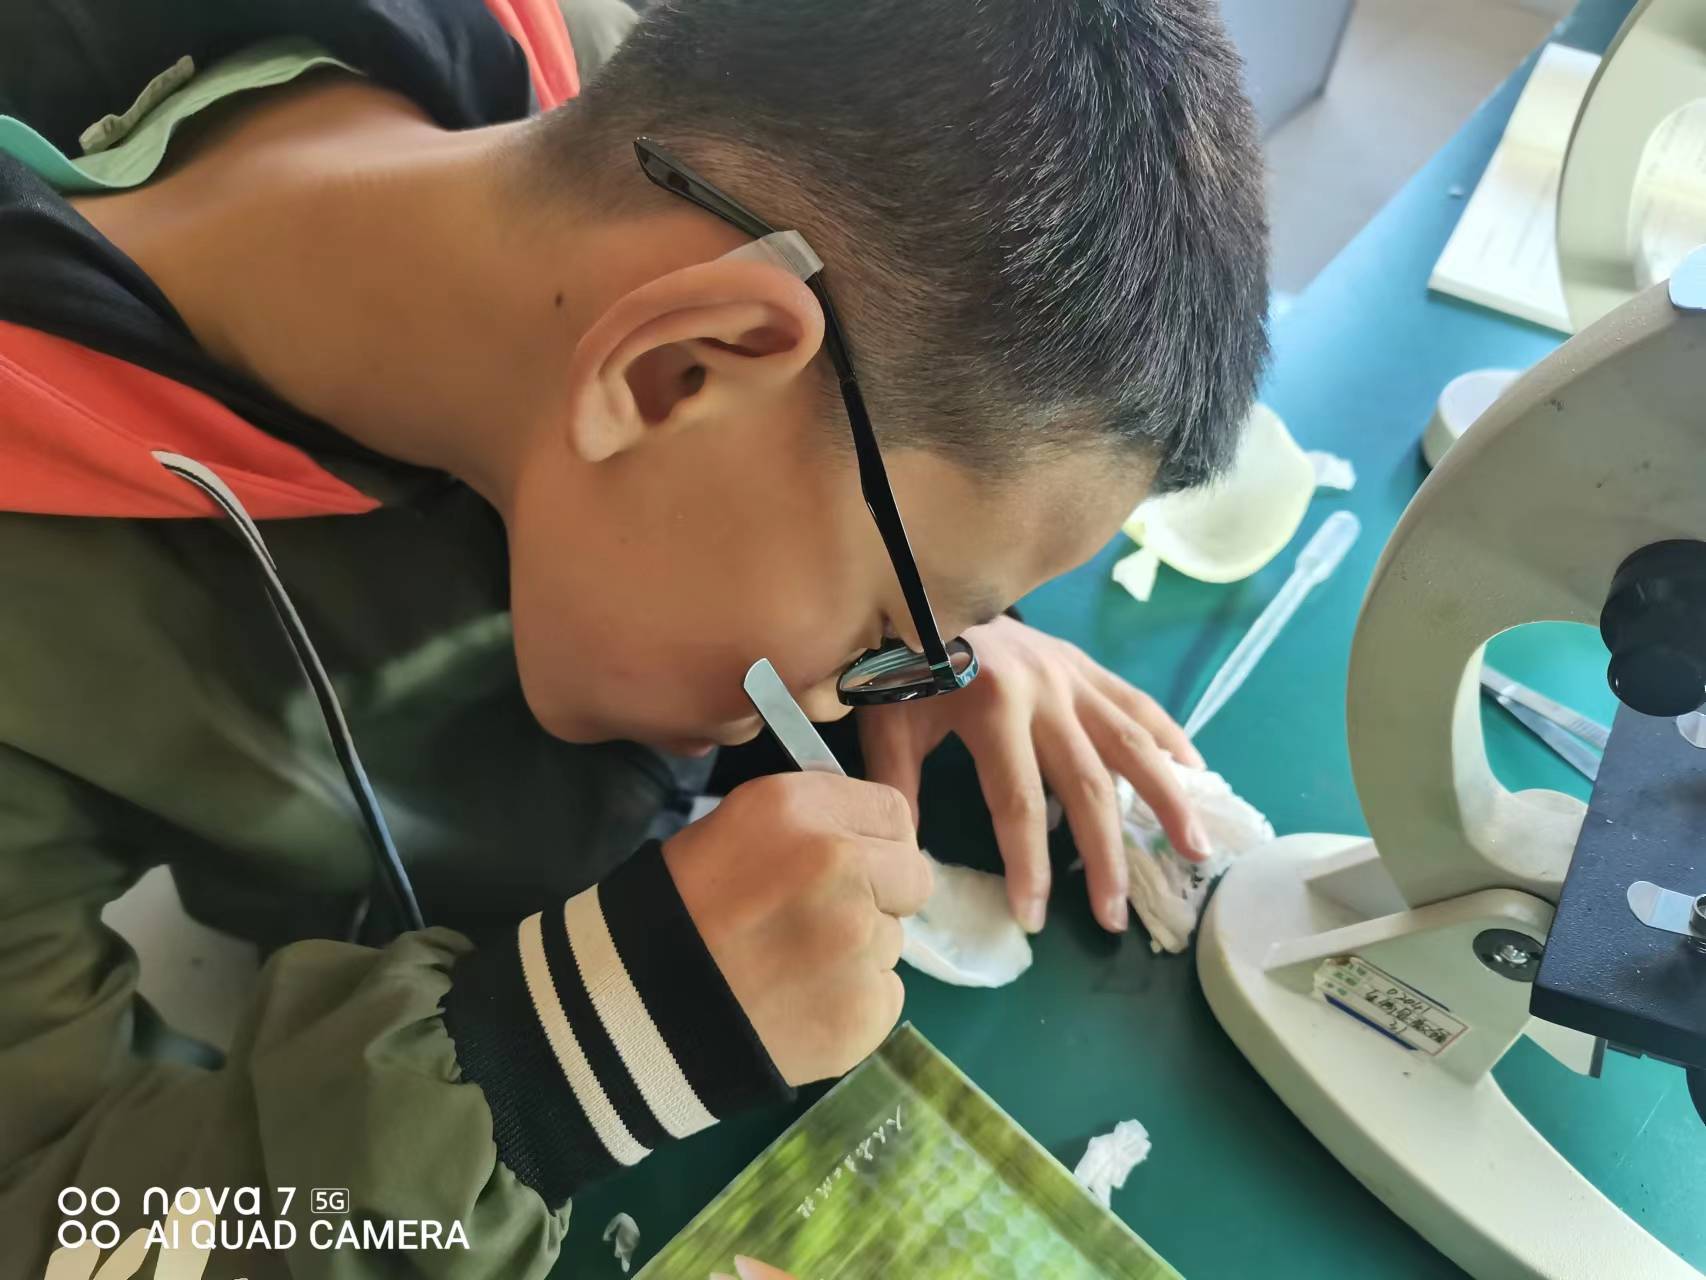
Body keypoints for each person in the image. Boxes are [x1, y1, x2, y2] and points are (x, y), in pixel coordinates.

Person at [0, 0, 1267, 1275]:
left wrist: (959, 632)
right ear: (677, 371)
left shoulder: (632, 113)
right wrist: (555, 1065)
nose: (860, 689)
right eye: (891, 628)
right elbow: (55, 1221)